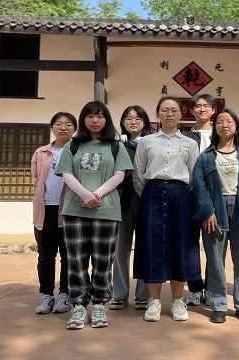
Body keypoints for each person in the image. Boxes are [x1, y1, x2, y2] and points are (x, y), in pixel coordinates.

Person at [54, 101, 133, 329]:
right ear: (83, 119)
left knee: (103, 261)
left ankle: (99, 304)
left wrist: (95, 195)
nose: (95, 120)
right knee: (76, 261)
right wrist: (85, 194)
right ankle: (79, 305)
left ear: (106, 119)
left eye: (100, 116)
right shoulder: (73, 146)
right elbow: (66, 173)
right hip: (75, 210)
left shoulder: (116, 146)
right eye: (90, 116)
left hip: (106, 210)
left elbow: (119, 175)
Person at [133, 96, 200, 322]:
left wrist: (178, 192)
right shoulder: (146, 142)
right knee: (152, 244)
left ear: (181, 114)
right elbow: (138, 175)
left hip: (181, 195)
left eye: (174, 110)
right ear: (157, 114)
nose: (169, 114)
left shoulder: (190, 143)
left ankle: (178, 300)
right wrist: (151, 193)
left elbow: (193, 176)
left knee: (180, 244)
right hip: (151, 194)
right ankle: (154, 300)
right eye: (164, 110)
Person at [192, 108, 239, 323]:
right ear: (215, 127)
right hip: (215, 211)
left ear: (236, 126)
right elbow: (199, 187)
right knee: (215, 261)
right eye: (220, 122)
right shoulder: (205, 157)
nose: (224, 125)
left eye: (229, 121)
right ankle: (218, 305)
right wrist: (208, 212)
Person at [31, 112, 77, 315]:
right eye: (59, 123)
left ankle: (65, 294)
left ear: (75, 129)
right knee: (45, 255)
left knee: (69, 256)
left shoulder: (78, 150)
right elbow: (36, 180)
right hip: (44, 209)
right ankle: (46, 295)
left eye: (68, 124)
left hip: (69, 210)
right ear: (52, 127)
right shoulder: (41, 152)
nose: (63, 127)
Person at [109, 105, 151, 311]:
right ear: (123, 122)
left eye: (138, 118)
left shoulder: (152, 144)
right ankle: (120, 293)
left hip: (146, 200)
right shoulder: (115, 145)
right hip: (121, 200)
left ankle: (143, 294)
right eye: (128, 118)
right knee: (120, 249)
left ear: (145, 122)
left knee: (145, 247)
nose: (133, 122)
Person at [181, 93, 216, 305]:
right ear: (192, 110)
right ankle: (194, 288)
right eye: (198, 106)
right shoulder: (185, 136)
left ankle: (212, 288)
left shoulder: (220, 135)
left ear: (213, 110)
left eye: (206, 106)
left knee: (214, 245)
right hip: (190, 195)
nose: (202, 109)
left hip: (215, 197)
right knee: (190, 244)